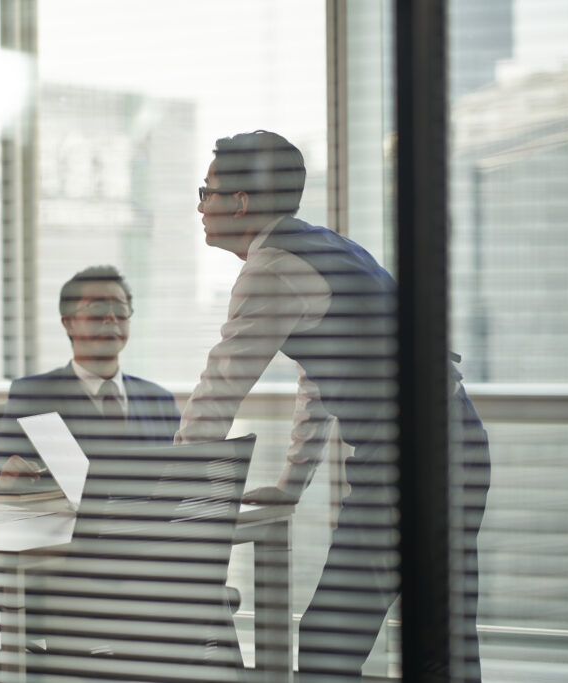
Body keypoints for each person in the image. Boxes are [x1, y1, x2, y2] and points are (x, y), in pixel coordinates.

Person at [174, 130, 490, 681]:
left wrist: (169, 487)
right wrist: (292, 483)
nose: (200, 206)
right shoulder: (328, 245)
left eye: (207, 191)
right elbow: (319, 378)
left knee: (329, 640)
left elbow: (220, 385)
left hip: (414, 460)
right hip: (456, 443)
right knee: (443, 633)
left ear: (240, 202)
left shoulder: (271, 268)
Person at [0, 265, 181, 488]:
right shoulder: (32, 394)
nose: (111, 318)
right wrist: (6, 476)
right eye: (98, 307)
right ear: (69, 322)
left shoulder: (160, 400)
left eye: (120, 308)